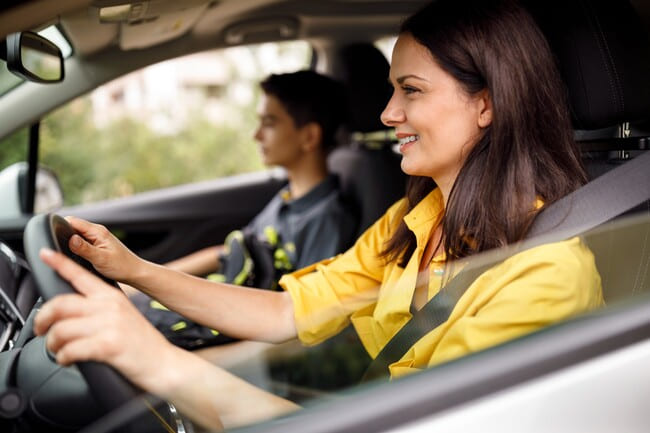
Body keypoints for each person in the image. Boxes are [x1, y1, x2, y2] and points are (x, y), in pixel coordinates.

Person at [33, 0, 604, 430]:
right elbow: (287, 313)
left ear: (487, 103)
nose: (386, 113)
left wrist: (159, 363)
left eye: (411, 91)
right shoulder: (416, 221)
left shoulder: (545, 273)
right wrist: (135, 271)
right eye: (390, 90)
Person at [133, 70, 359, 348]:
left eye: (270, 123)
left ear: (309, 136)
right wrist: (141, 279)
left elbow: (305, 323)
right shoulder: (286, 199)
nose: (256, 135)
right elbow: (228, 253)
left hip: (243, 338)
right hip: (220, 312)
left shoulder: (326, 219)